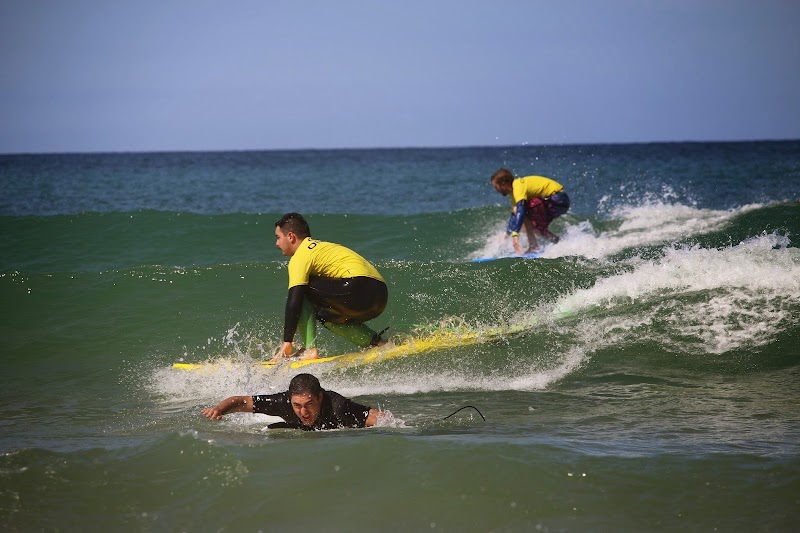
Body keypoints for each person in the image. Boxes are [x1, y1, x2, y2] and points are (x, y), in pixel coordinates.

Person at [272, 212, 388, 361]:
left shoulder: (300, 257)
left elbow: (294, 301)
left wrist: (287, 341)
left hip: (358, 289)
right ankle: (379, 343)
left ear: (290, 237)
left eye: (278, 237)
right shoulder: (322, 247)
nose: (277, 243)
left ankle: (309, 349)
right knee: (327, 317)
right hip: (380, 295)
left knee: (302, 290)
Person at [201, 373, 383, 430]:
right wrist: (218, 410)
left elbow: (377, 418)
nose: (304, 412)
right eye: (297, 405)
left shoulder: (338, 407)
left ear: (320, 397)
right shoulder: (281, 402)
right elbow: (240, 401)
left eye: (309, 404)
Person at [490, 168, 571, 254]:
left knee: (524, 213)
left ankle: (533, 246)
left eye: (496, 187)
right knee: (535, 228)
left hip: (558, 198)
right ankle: (558, 242)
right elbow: (515, 215)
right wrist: (506, 235)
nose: (496, 190)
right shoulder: (514, 193)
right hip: (557, 201)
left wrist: (515, 235)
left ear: (503, 184)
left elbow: (520, 210)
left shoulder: (517, 186)